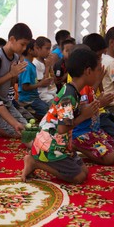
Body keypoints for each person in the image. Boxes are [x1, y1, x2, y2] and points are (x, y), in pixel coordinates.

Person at [22, 47, 99, 183]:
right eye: (97, 70)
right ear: (88, 71)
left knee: (84, 172)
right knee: (79, 177)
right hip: (50, 144)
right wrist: (84, 115)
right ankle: (35, 162)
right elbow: (62, 128)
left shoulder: (72, 89)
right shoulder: (69, 95)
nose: (99, 74)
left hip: (62, 143)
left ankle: (41, 158)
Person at [83, 33, 114, 148]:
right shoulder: (84, 72)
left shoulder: (99, 67)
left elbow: (101, 91)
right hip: (92, 114)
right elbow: (86, 99)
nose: (101, 59)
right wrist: (98, 80)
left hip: (102, 110)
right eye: (99, 56)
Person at [0, 23, 32, 138]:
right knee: (16, 133)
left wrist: (14, 75)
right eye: (22, 44)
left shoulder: (15, 57)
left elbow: (10, 84)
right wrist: (11, 73)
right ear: (12, 39)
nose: (24, 48)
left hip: (5, 102)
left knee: (25, 128)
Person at [18, 39, 50, 120]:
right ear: (30, 51)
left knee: (49, 109)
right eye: (36, 48)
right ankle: (28, 111)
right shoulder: (27, 66)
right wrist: (40, 84)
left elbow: (32, 82)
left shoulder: (31, 65)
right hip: (28, 100)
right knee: (48, 112)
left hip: (34, 98)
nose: (38, 50)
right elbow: (25, 87)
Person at [33, 36, 57, 104]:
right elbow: (44, 83)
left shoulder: (46, 62)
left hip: (52, 94)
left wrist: (50, 67)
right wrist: (47, 67)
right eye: (47, 49)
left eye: (50, 49)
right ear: (38, 48)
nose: (49, 52)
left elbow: (54, 79)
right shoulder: (35, 64)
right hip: (44, 97)